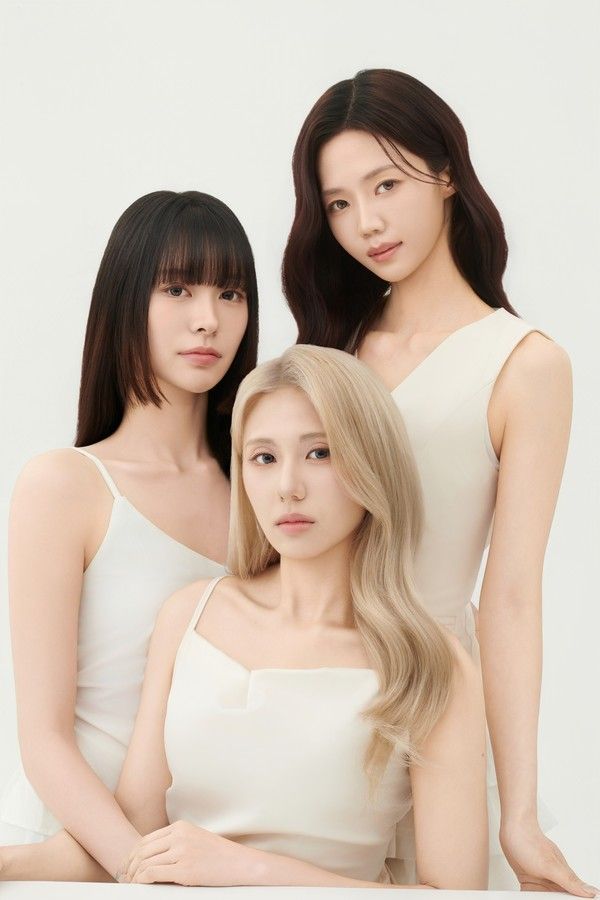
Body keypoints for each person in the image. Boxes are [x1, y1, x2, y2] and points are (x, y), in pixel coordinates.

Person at [1, 345, 488, 888]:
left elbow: (456, 896)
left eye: (320, 453)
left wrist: (247, 869)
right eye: (264, 458)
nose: (288, 488)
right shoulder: (191, 616)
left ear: (372, 462)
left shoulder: (431, 664)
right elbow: (136, 839)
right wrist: (9, 863)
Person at [282, 68, 597, 896]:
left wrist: (518, 812)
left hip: (433, 712)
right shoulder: (326, 350)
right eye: (339, 203)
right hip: (302, 707)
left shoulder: (525, 366)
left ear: (447, 172)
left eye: (385, 185)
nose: (366, 222)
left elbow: (513, 598)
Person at [0, 189, 259, 866]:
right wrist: (137, 868)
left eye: (230, 294)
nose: (208, 320)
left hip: (203, 854)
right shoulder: (65, 487)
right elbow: (44, 739)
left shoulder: (264, 492)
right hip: (70, 852)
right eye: (177, 289)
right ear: (125, 301)